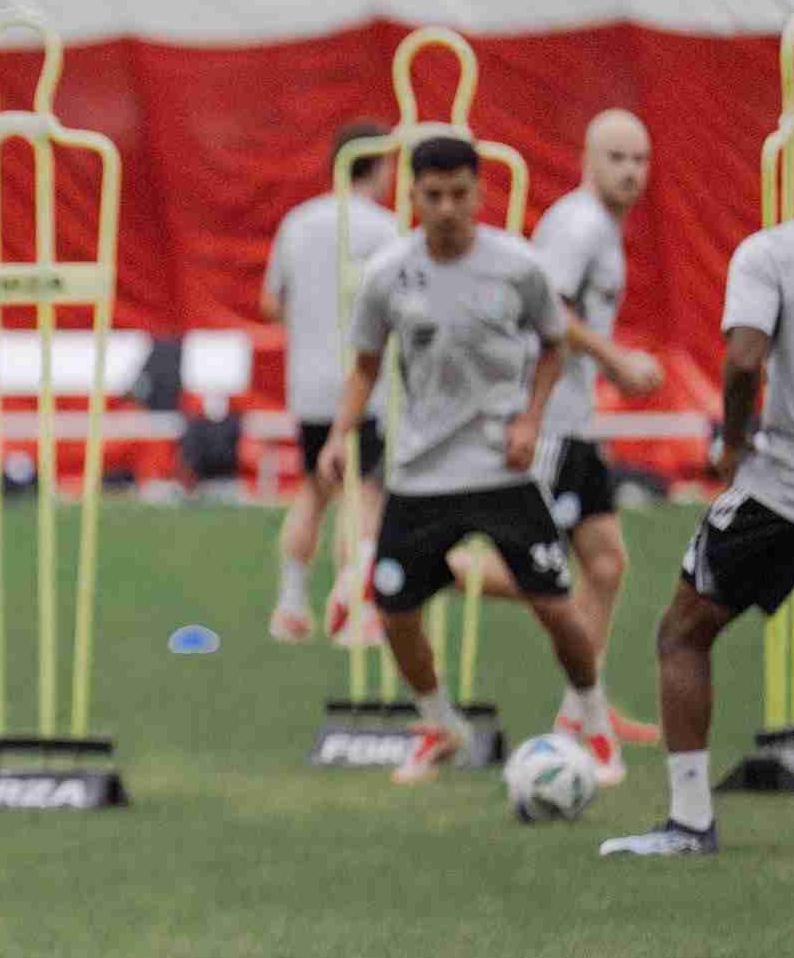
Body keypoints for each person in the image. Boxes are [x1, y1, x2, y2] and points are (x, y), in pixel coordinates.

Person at [320, 136, 617, 785]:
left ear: (481, 194)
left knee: (556, 607)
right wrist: (338, 435)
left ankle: (593, 722)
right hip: (420, 473)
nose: (448, 207)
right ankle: (438, 723)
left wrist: (531, 418)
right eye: (433, 195)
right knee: (394, 610)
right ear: (414, 198)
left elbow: (553, 345)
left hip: (502, 469)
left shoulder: (519, 266)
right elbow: (366, 366)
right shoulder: (388, 275)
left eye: (460, 194)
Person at [603, 102, 794, 858]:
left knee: (684, 630)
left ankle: (689, 822)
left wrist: (734, 444)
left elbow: (744, 357)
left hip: (789, 489)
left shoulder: (770, 252)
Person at [452, 109, 667, 774]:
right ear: (587, 158)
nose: (630, 170)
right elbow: (549, 309)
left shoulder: (602, 228)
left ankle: (583, 709)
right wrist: (617, 361)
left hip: (575, 424)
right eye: (617, 157)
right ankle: (420, 566)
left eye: (639, 158)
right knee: (540, 570)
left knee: (605, 565)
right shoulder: (578, 225)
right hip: (544, 420)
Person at [263, 122, 402, 643]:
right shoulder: (386, 230)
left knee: (313, 493)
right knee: (363, 494)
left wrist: (312, 322)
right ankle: (356, 607)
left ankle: (291, 604)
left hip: (309, 385)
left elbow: (270, 303)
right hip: (363, 385)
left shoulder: (297, 223)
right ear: (379, 164)